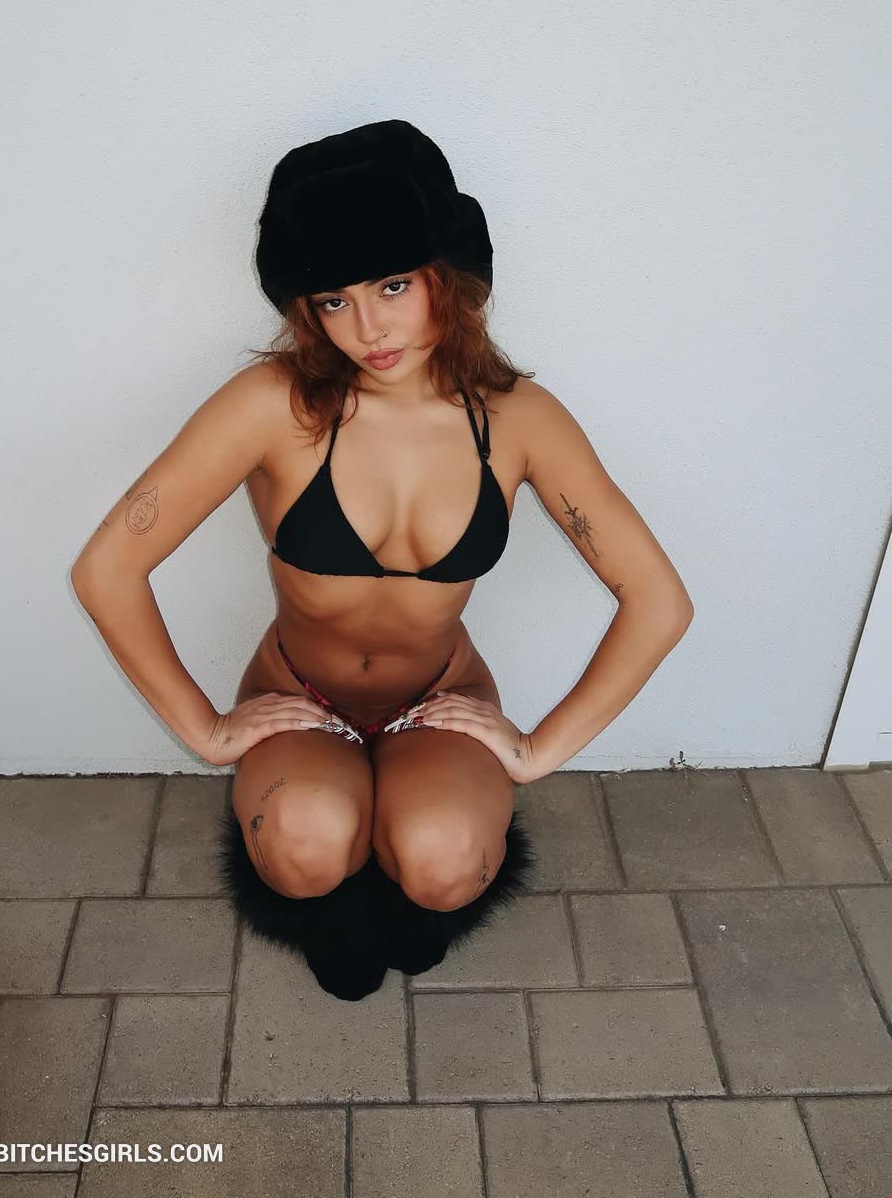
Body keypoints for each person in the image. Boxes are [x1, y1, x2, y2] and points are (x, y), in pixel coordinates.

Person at [71, 119, 691, 1000]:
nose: (368, 328)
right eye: (335, 300)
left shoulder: (519, 420)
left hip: (437, 700)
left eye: (393, 285)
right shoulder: (271, 406)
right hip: (301, 698)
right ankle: (333, 896)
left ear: (448, 275)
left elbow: (658, 601)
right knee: (303, 843)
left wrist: (536, 751)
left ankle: (408, 876)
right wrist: (206, 733)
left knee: (446, 860)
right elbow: (107, 569)